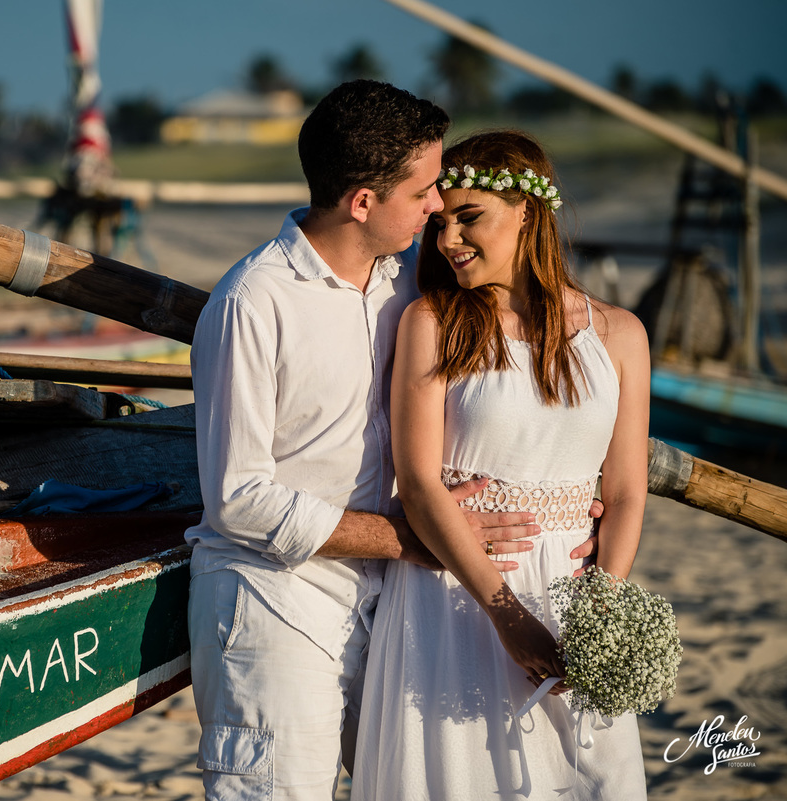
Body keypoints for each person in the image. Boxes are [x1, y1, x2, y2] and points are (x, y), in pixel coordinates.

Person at [185, 82, 600, 801]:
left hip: (395, 607)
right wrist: (404, 538)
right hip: (279, 603)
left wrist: (567, 493)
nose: (439, 205)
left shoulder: (408, 280)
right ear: (362, 202)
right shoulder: (253, 303)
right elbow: (236, 497)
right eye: (423, 191)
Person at [351, 130, 651, 800]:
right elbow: (422, 481)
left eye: (468, 217)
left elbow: (628, 490)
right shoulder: (434, 322)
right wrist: (506, 613)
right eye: (439, 222)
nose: (448, 239)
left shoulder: (620, 334)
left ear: (527, 210)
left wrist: (601, 607)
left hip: (576, 595)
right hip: (457, 593)